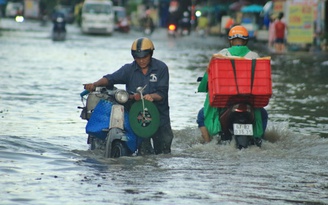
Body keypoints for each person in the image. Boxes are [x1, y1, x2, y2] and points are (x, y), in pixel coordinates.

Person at [83, 37, 174, 155]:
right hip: (138, 120)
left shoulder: (161, 68)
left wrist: (151, 97)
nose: (141, 61)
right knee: (144, 155)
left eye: (144, 57)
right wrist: (95, 84)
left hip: (160, 118)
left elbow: (162, 93)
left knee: (163, 153)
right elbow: (110, 78)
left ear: (151, 54)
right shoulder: (129, 69)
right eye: (137, 58)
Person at [196, 25, 268, 144]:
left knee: (201, 116)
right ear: (246, 40)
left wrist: (204, 85)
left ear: (230, 40)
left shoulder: (221, 55)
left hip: (225, 101)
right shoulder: (254, 56)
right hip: (248, 100)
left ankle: (208, 144)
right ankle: (258, 139)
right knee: (263, 114)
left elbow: (209, 74)